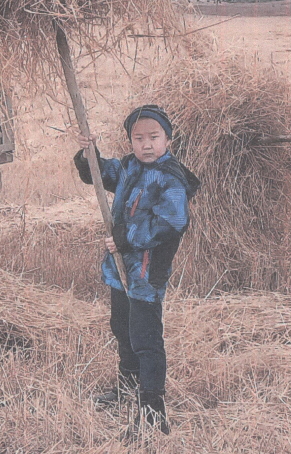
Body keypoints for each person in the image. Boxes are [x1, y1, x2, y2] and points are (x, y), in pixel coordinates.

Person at [74, 105, 200, 436]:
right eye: (138, 138)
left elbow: (172, 223)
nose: (146, 145)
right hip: (120, 271)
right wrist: (89, 154)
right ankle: (127, 389)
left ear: (168, 140)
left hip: (145, 273)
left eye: (154, 137)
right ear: (130, 141)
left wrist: (127, 239)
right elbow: (100, 176)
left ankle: (152, 408)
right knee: (122, 327)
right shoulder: (129, 167)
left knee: (146, 338)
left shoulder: (170, 178)